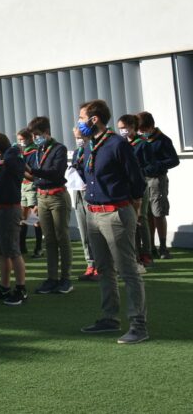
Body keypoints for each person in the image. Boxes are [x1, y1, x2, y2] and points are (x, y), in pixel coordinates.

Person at [75, 99, 148, 344]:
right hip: (93, 213)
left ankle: (138, 324)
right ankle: (110, 317)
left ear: (94, 120)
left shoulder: (117, 144)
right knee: (104, 269)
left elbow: (137, 181)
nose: (79, 123)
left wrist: (133, 207)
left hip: (115, 213)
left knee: (127, 270)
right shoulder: (89, 145)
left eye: (82, 118)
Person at [26, 116, 72, 295]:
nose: (35, 138)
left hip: (57, 196)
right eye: (33, 135)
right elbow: (36, 177)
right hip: (42, 196)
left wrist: (32, 171)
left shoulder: (59, 148)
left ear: (46, 132)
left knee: (63, 237)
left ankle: (66, 278)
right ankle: (52, 278)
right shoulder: (38, 150)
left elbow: (55, 172)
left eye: (37, 134)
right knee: (49, 239)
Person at [0, 132, 28, 306]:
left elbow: (17, 164)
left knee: (13, 251)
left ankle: (21, 288)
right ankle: (4, 286)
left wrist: (8, 154)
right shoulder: (0, 160)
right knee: (2, 252)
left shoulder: (13, 157)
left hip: (9, 209)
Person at [136, 111, 179, 260]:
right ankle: (150, 247)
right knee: (145, 213)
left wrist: (156, 165)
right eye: (139, 130)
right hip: (142, 180)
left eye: (143, 129)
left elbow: (174, 160)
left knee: (158, 212)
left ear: (151, 126)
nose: (141, 132)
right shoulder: (139, 141)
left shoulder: (163, 140)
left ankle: (163, 247)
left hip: (156, 180)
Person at [116, 114, 149, 269]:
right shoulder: (120, 144)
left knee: (140, 219)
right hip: (125, 188)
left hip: (139, 186)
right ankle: (134, 255)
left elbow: (151, 165)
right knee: (130, 223)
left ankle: (146, 253)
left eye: (124, 128)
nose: (122, 131)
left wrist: (137, 171)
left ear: (132, 127)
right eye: (120, 128)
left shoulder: (142, 144)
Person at [71, 127, 97, 280]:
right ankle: (90, 264)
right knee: (84, 231)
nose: (78, 140)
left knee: (95, 231)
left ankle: (100, 265)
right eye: (76, 137)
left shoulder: (94, 150)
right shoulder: (76, 152)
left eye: (80, 137)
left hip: (90, 193)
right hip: (78, 192)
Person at [17, 128, 41, 258]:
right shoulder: (22, 152)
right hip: (23, 186)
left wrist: (20, 169)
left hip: (32, 186)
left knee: (35, 217)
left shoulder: (34, 151)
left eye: (23, 139)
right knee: (23, 217)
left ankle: (38, 248)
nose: (21, 142)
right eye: (19, 140)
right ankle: (22, 247)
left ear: (30, 138)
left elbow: (33, 172)